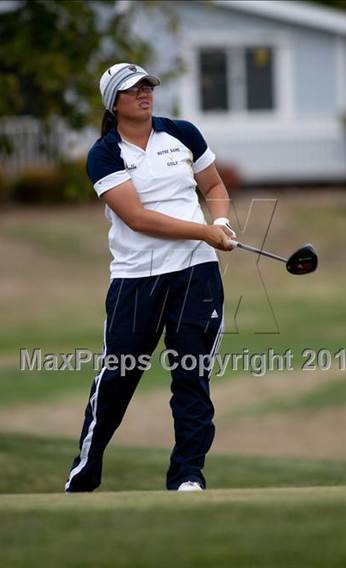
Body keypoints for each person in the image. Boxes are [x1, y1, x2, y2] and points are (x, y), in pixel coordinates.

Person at [65, 63, 236, 493]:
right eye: (132, 89)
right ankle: (83, 476)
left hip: (196, 274)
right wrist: (204, 230)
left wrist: (221, 221)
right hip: (137, 280)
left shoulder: (182, 133)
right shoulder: (104, 154)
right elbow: (138, 218)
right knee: (117, 379)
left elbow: (214, 187)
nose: (144, 93)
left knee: (191, 377)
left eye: (147, 86)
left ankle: (188, 477)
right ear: (114, 103)